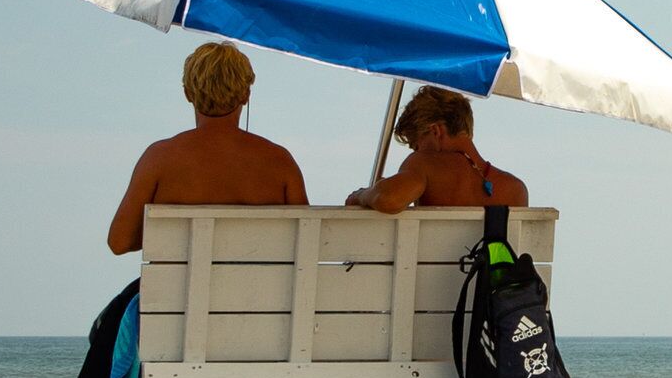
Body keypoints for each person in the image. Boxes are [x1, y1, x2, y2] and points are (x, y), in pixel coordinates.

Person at [105, 42, 307, 255]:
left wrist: (167, 234)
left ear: (188, 94)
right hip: (260, 288)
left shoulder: (160, 158)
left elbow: (119, 243)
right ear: (245, 95)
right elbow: (307, 242)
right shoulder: (279, 162)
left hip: (178, 288)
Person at [349, 85, 530, 215]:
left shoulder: (424, 164)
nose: (416, 151)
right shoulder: (515, 189)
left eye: (416, 144)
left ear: (435, 131)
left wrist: (361, 195)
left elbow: (389, 199)